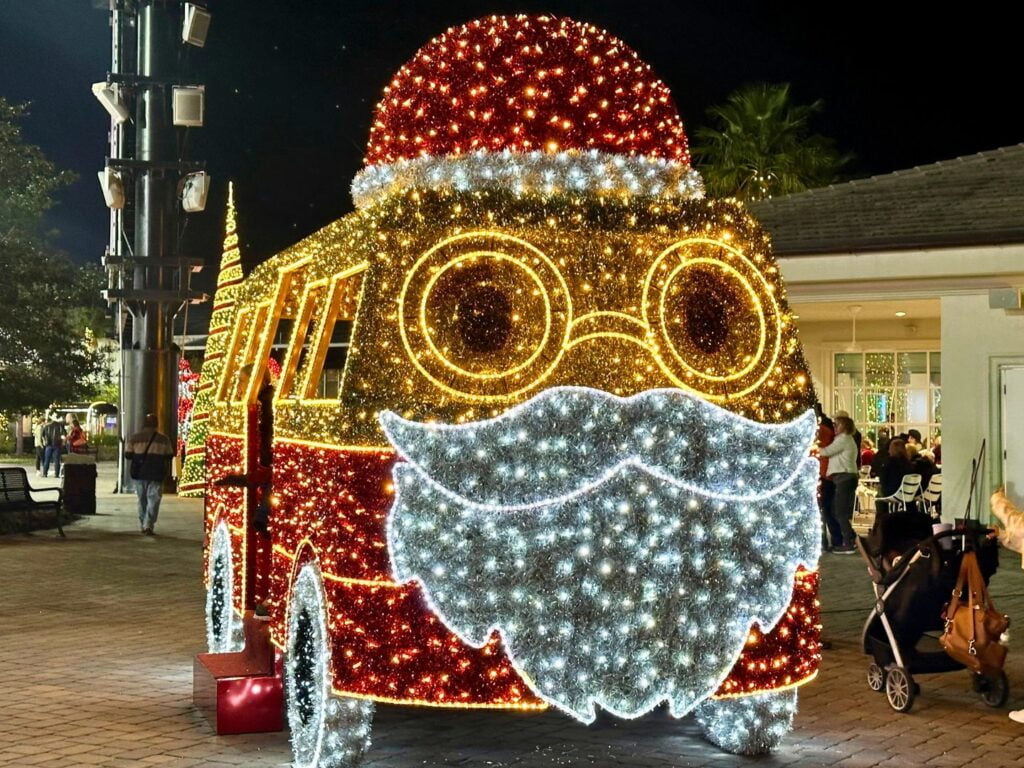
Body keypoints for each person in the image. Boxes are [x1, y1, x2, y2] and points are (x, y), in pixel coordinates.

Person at [125, 413, 175, 535]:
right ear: (157, 424)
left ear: (144, 424)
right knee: (154, 499)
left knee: (142, 500)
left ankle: (143, 524)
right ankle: (148, 524)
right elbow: (169, 455)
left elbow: (128, 455)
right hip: (157, 473)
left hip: (140, 473)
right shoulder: (164, 439)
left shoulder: (135, 438)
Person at [816, 415, 860, 553]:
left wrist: (812, 448)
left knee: (840, 512)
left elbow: (826, 452)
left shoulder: (843, 440)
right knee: (837, 510)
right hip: (844, 478)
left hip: (844, 478)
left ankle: (849, 543)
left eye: (837, 425)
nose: (834, 427)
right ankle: (852, 538)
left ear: (844, 427)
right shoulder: (844, 440)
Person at [813, 403, 837, 551]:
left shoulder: (821, 430)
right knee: (826, 510)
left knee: (823, 510)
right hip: (826, 474)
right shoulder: (828, 429)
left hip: (822, 473)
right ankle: (830, 539)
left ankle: (825, 541)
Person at [40, 413, 66, 478]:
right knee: (57, 460)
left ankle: (45, 473)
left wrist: (43, 442)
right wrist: (62, 442)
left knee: (47, 460)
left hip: (48, 444)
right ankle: (56, 474)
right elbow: (63, 435)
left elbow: (42, 435)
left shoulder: (46, 426)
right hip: (57, 444)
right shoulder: (60, 426)